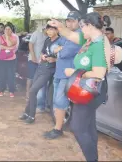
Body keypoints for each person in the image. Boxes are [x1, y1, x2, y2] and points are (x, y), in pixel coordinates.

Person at [47, 12, 113, 162]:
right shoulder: (89, 39)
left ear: (90, 26)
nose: (80, 29)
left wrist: (74, 73)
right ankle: (93, 158)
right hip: (84, 89)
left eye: (82, 26)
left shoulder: (99, 45)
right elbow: (70, 35)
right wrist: (60, 26)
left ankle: (91, 159)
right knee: (89, 127)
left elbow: (99, 73)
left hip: (92, 90)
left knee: (77, 127)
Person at [43, 11, 82, 139]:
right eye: (68, 21)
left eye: (73, 21)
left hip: (68, 74)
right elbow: (55, 47)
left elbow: (63, 53)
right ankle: (57, 127)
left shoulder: (78, 35)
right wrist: (58, 50)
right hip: (59, 73)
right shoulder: (66, 35)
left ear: (78, 22)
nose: (69, 23)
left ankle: (58, 129)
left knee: (60, 102)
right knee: (56, 101)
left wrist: (59, 50)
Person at [19, 24, 60, 124]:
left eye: (51, 29)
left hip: (49, 69)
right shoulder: (47, 40)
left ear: (57, 30)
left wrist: (54, 59)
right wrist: (42, 56)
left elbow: (63, 57)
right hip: (41, 66)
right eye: (48, 30)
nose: (49, 32)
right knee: (32, 89)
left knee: (33, 91)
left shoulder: (61, 41)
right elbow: (42, 52)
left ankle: (32, 116)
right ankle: (26, 112)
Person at [0, 23, 18, 98]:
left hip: (11, 60)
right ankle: (1, 90)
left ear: (12, 30)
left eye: (9, 29)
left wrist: (8, 37)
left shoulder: (14, 38)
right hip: (1, 59)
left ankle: (11, 91)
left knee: (11, 75)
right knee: (2, 75)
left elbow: (9, 44)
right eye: (6, 29)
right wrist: (9, 48)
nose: (7, 30)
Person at [26, 27, 47, 100]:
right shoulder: (37, 33)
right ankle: (28, 93)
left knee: (39, 79)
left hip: (42, 61)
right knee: (30, 77)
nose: (48, 31)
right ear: (44, 28)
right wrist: (33, 56)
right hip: (32, 59)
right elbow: (30, 44)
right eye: (47, 29)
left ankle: (36, 95)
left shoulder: (49, 38)